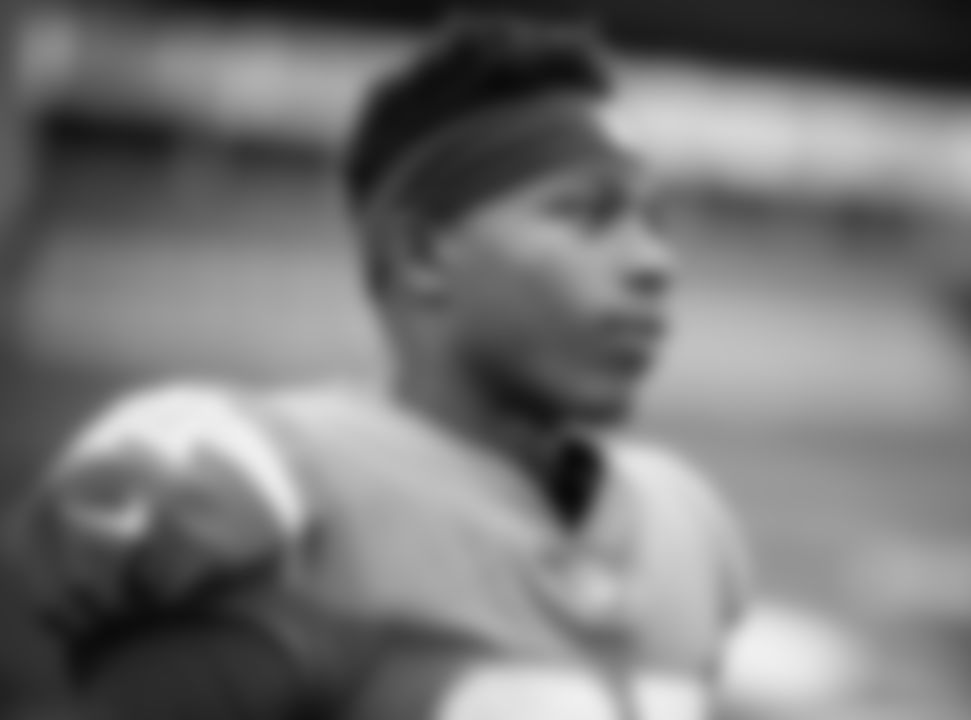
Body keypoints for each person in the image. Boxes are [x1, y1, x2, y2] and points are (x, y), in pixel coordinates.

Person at [2, 14, 752, 720]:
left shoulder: (687, 525)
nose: (655, 264)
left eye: (656, 224)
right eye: (587, 215)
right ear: (423, 254)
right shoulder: (273, 515)